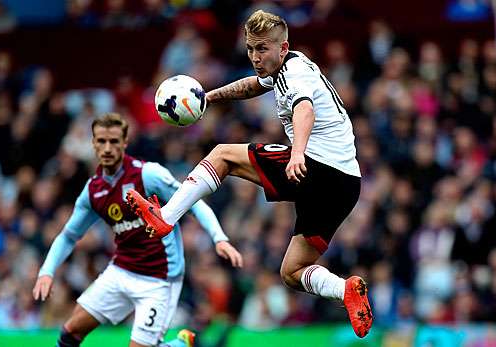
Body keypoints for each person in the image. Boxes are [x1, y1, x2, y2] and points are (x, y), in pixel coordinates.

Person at [127, 10, 373, 338]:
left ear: (282, 48)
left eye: (262, 49)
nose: (255, 57)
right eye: (250, 49)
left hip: (318, 167)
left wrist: (297, 151)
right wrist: (208, 97)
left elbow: (304, 108)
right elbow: (252, 86)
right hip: (345, 185)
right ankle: (345, 290)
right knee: (293, 271)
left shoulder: (294, 73)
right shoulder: (286, 66)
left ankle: (166, 216)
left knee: (222, 155)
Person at [32, 113, 243, 347]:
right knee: (70, 332)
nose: (108, 148)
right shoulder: (93, 191)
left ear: (125, 143)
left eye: (114, 141)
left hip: (159, 279)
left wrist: (219, 238)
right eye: (101, 141)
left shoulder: (148, 174)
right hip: (121, 270)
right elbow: (69, 235)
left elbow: (195, 203)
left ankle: (182, 344)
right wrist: (47, 271)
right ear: (93, 144)